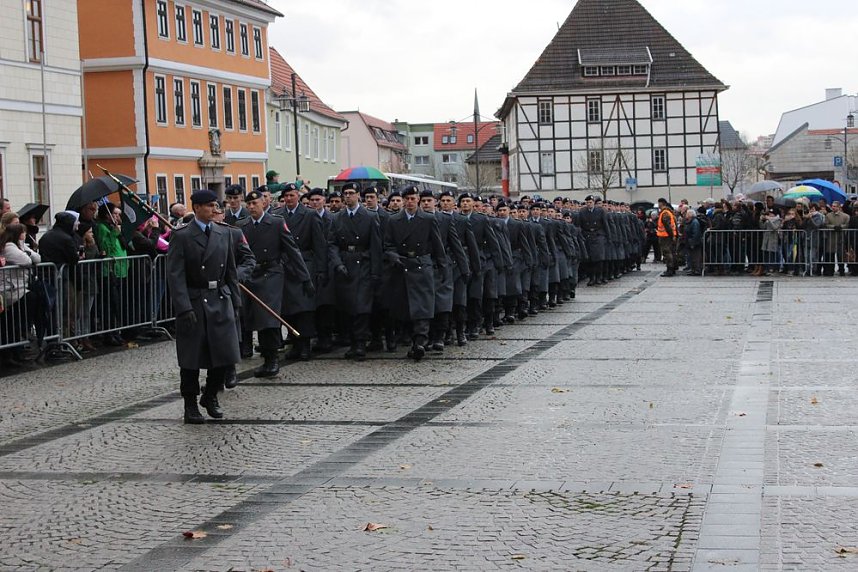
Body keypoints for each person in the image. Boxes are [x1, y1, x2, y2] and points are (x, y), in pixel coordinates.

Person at [167, 189, 242, 424]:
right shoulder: (182, 236)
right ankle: (190, 403)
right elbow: (175, 275)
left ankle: (211, 395)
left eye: (215, 205)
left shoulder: (224, 233)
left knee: (223, 353)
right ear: (197, 207)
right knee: (191, 358)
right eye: (209, 205)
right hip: (195, 300)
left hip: (219, 297)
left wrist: (235, 300)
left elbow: (230, 270)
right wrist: (184, 306)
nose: (214, 209)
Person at [236, 188, 312, 377]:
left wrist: (305, 278)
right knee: (253, 317)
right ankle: (267, 357)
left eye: (255, 203)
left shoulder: (276, 223)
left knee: (268, 317)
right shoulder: (241, 226)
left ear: (264, 203)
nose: (252, 207)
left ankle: (272, 360)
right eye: (249, 204)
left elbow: (292, 251)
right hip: (250, 275)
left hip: (271, 273)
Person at [383, 186, 446, 361]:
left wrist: (442, 267)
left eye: (412, 198)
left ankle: (420, 342)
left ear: (418, 199)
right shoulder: (394, 220)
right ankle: (413, 340)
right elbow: (388, 244)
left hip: (422, 265)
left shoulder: (428, 219)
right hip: (402, 266)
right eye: (407, 198)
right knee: (406, 309)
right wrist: (393, 256)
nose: (409, 202)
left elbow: (437, 245)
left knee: (423, 307)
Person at [327, 182, 383, 360]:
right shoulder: (337, 218)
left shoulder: (369, 216)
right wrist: (337, 263)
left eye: (352, 193)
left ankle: (360, 342)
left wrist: (375, 272)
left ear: (358, 195)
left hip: (363, 264)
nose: (348, 196)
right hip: (345, 264)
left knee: (361, 306)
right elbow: (332, 244)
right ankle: (352, 341)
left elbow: (375, 246)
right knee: (348, 307)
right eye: (346, 193)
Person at [275, 183, 323, 361]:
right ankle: (295, 343)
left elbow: (319, 244)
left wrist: (320, 270)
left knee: (305, 309)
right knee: (288, 309)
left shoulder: (310, 214)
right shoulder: (278, 216)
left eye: (292, 195)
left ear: (298, 196)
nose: (288, 199)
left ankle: (305, 345)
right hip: (285, 266)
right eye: (286, 196)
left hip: (305, 264)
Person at [0, 223, 40, 367]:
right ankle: (14, 349)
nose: (25, 234)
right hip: (10, 290)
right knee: (15, 319)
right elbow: (27, 260)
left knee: (32, 300)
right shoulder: (10, 247)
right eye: (23, 232)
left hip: (18, 288)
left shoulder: (19, 246)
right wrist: (25, 250)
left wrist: (25, 249)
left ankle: (19, 345)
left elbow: (38, 258)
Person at [656, 198, 678, 277]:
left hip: (666, 236)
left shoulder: (665, 213)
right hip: (668, 236)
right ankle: (673, 268)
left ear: (662, 204)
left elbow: (668, 226)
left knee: (667, 253)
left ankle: (670, 269)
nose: (658, 205)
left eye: (659, 203)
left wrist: (671, 235)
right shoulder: (668, 212)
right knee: (671, 252)